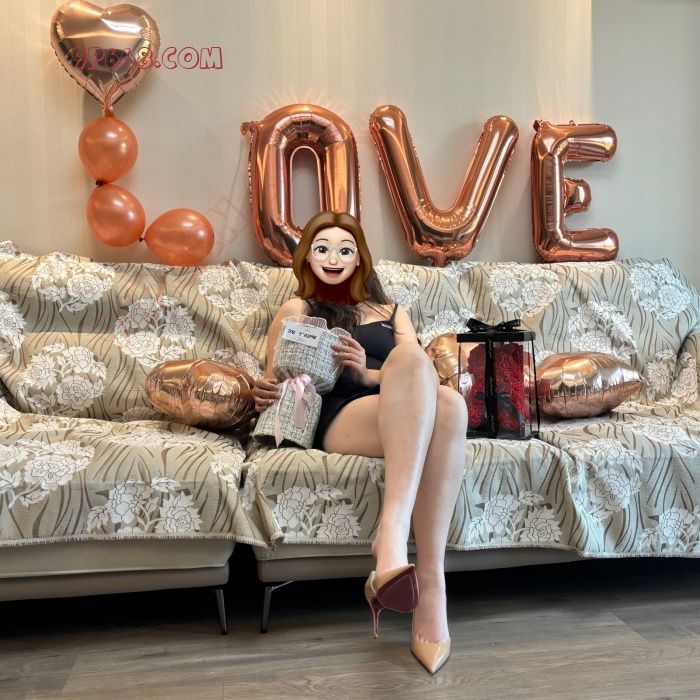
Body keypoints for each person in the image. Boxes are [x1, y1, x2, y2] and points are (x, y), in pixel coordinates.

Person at [252, 210, 467, 674]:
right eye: (322, 249)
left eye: (344, 250)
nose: (333, 258)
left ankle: (429, 585)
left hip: (394, 403)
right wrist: (264, 390)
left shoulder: (394, 313)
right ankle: (394, 542)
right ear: (308, 258)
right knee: (434, 389)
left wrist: (368, 371)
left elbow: (419, 376)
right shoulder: (298, 309)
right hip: (342, 412)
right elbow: (277, 382)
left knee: (444, 397)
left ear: (359, 259)